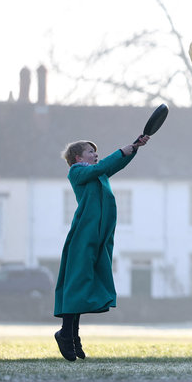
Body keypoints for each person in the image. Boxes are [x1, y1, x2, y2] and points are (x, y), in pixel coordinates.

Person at [54, 136, 149, 361]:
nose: (95, 155)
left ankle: (72, 335)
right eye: (91, 152)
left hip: (98, 237)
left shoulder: (98, 173)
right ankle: (66, 334)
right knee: (76, 285)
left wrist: (133, 148)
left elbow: (112, 165)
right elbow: (107, 164)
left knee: (85, 285)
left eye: (96, 153)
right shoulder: (77, 173)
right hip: (83, 236)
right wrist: (120, 150)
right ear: (78, 158)